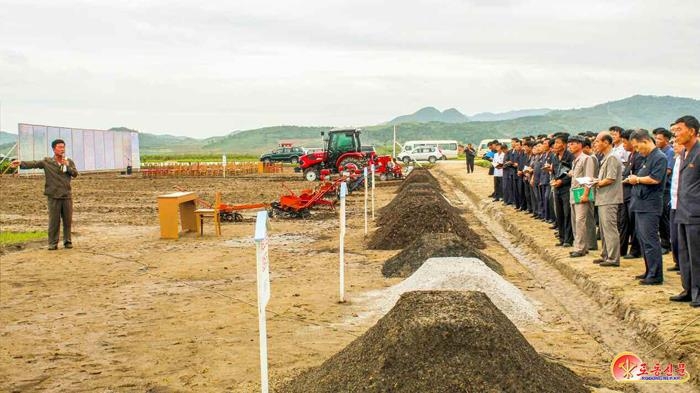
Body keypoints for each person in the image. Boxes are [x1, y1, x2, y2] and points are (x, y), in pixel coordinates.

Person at [11, 139, 79, 250]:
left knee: (67, 220)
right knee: (54, 221)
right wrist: (21, 163)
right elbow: (35, 163)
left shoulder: (69, 161)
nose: (62, 149)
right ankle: (53, 243)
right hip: (53, 195)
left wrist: (67, 166)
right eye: (60, 147)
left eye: (63, 147)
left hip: (66, 195)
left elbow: (75, 174)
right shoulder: (47, 161)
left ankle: (67, 241)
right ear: (54, 149)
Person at [626, 129, 667, 285]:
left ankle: (655, 274)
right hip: (640, 204)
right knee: (643, 240)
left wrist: (637, 180)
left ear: (645, 141)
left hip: (650, 205)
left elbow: (655, 179)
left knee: (650, 241)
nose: (637, 150)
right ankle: (649, 270)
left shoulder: (659, 157)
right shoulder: (647, 158)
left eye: (637, 147)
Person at [671, 115, 700, 306]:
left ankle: (698, 292)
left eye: (679, 130)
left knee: (697, 255)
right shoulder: (683, 154)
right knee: (684, 253)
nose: (676, 135)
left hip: (696, 212)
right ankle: (688, 289)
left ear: (692, 130)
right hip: (681, 210)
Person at [592, 132, 623, 267]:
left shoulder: (612, 157)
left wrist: (596, 183)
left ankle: (613, 258)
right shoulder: (606, 157)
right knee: (604, 229)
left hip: (610, 197)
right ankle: (606, 254)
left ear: (606, 142)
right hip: (604, 197)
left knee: (610, 229)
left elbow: (610, 178)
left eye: (598, 141)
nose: (596, 144)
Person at [567, 135, 596, 258]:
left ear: (580, 144)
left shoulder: (587, 159)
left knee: (580, 221)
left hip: (581, 193)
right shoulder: (575, 160)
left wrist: (585, 194)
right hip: (574, 193)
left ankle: (580, 248)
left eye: (573, 144)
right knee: (575, 221)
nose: (570, 146)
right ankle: (580, 246)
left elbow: (589, 178)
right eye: (569, 144)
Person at [653, 127, 674, 254]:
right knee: (661, 217)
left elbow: (668, 170)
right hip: (660, 188)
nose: (656, 141)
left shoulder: (669, 152)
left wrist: (655, 175)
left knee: (664, 217)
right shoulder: (659, 151)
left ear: (666, 139)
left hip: (666, 188)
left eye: (659, 139)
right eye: (655, 138)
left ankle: (666, 244)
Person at [550, 134, 574, 247]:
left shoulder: (570, 156)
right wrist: (554, 180)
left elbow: (572, 173)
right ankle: (562, 237)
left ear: (564, 145)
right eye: (555, 143)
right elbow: (555, 171)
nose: (555, 145)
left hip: (567, 188)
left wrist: (562, 181)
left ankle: (568, 240)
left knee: (567, 213)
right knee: (559, 214)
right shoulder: (554, 157)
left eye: (557, 143)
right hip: (557, 188)